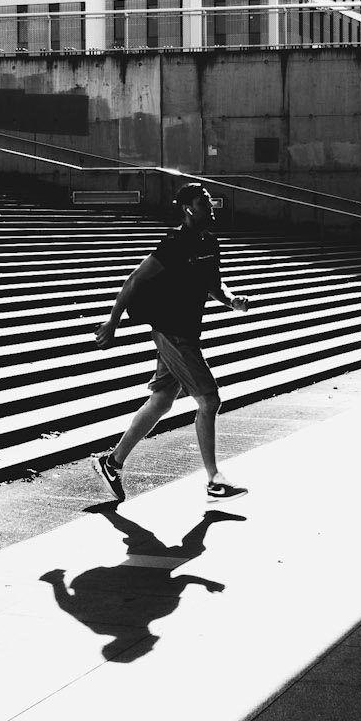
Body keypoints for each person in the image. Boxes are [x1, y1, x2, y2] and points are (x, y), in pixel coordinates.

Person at [93, 180, 250, 500]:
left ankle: (112, 462)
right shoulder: (174, 243)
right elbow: (135, 279)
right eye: (204, 203)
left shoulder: (210, 243)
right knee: (209, 400)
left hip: (186, 332)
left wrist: (232, 302)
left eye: (210, 202)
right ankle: (214, 479)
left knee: (162, 401)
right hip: (173, 333)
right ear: (188, 209)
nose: (210, 207)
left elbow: (216, 287)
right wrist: (113, 321)